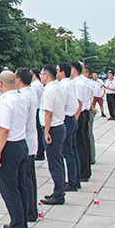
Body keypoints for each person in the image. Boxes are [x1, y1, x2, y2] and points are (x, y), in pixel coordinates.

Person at [0, 70, 30, 228]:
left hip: (9, 147)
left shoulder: (6, 103)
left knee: (9, 189)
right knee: (21, 186)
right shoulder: (21, 98)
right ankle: (20, 223)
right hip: (21, 144)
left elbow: (4, 130)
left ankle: (17, 227)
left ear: (0, 83)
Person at [39, 64, 68, 206]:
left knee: (55, 163)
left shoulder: (49, 90)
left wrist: (46, 132)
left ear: (47, 75)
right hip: (59, 126)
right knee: (58, 160)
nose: (40, 76)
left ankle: (58, 195)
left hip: (53, 129)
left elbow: (48, 113)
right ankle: (59, 190)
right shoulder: (58, 87)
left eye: (41, 74)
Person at [15, 68, 39, 222]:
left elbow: (21, 121)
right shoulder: (30, 93)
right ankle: (32, 208)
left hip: (26, 139)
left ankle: (29, 210)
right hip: (30, 138)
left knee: (26, 178)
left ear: (19, 79)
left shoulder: (24, 96)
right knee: (30, 176)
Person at [58, 63, 81, 192]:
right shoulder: (70, 83)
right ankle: (75, 179)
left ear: (62, 73)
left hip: (66, 119)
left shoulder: (63, 86)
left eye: (57, 70)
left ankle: (72, 181)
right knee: (73, 150)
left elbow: (62, 103)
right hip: (71, 118)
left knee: (68, 152)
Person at [71, 62, 91, 183]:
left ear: (74, 70)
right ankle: (85, 170)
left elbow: (78, 103)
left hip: (79, 114)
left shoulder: (78, 83)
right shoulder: (81, 81)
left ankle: (83, 172)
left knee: (80, 145)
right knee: (83, 143)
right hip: (83, 113)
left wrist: (75, 120)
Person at [30, 68, 45, 161]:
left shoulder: (34, 86)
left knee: (37, 132)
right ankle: (41, 151)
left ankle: (40, 152)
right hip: (38, 108)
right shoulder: (39, 84)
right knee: (39, 132)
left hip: (36, 109)